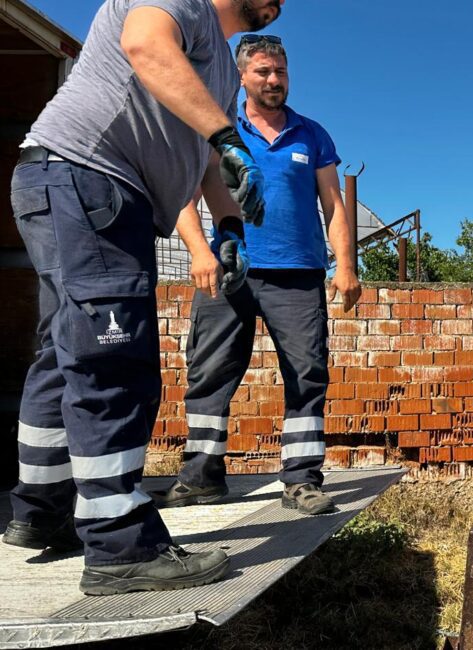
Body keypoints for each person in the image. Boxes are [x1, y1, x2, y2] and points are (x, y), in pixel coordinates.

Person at [3, 0, 285, 596]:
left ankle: (42, 511)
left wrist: (230, 229)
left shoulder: (220, 74)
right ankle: (121, 547)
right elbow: (146, 47)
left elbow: (210, 160)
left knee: (66, 354)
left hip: (77, 185)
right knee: (116, 361)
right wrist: (229, 137)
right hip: (90, 177)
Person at [152, 35, 361, 515]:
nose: (274, 80)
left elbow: (334, 203)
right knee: (210, 372)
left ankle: (302, 481)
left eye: (281, 72)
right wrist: (199, 252)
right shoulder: (219, 127)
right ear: (242, 75)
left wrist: (346, 266)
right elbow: (184, 191)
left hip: (297, 274)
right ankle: (201, 476)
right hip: (227, 271)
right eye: (264, 72)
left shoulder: (312, 135)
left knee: (307, 373)